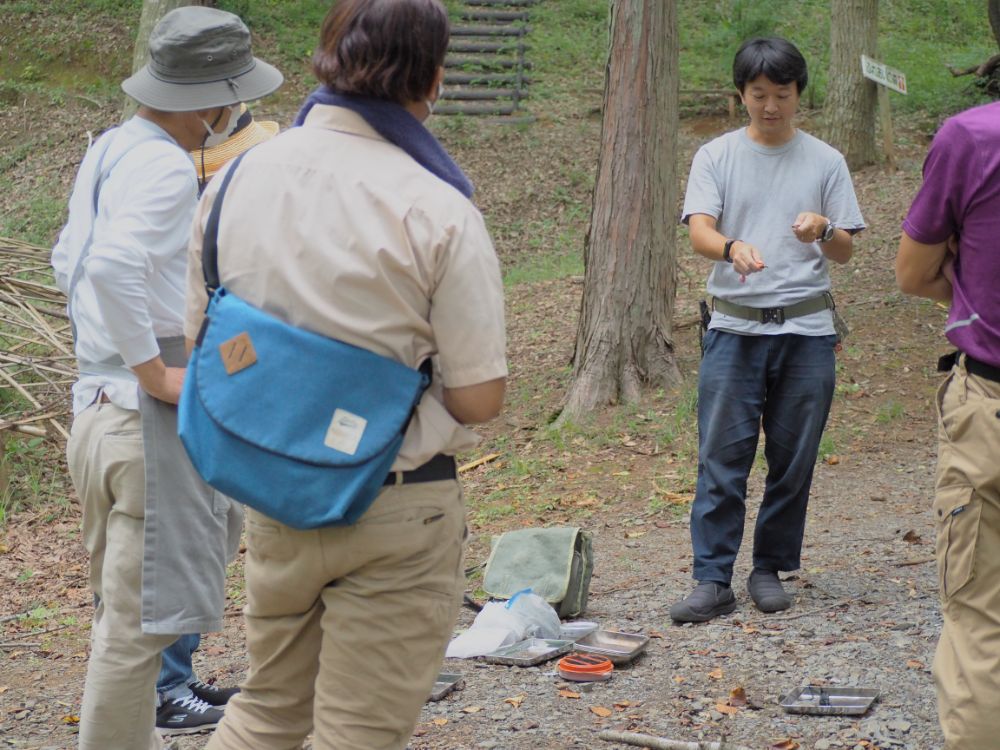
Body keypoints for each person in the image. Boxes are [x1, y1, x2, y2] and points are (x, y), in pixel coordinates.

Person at [184, 1, 507, 748]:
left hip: (274, 490)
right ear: (429, 76)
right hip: (397, 505)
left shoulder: (237, 179)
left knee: (266, 710)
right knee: (358, 733)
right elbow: (479, 396)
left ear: (328, 57)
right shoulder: (437, 208)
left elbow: (206, 339)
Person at [50, 7, 281, 748]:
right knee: (138, 632)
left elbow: (69, 261)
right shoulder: (160, 165)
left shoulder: (110, 149)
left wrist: (110, 355)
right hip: (138, 416)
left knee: (124, 620)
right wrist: (154, 371)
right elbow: (114, 266)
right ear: (213, 99)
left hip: (94, 408)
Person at [670, 37, 865, 624]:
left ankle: (768, 569)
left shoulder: (825, 161)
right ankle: (711, 578)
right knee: (721, 458)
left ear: (798, 94)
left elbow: (848, 250)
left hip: (807, 331)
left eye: (782, 94)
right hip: (734, 327)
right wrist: (732, 248)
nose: (771, 105)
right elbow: (699, 231)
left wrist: (824, 228)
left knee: (793, 457)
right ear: (742, 96)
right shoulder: (716, 156)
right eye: (759, 95)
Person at [154, 105, 280, 735]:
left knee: (209, 537)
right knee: (178, 542)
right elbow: (206, 322)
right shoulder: (179, 209)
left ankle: (180, 671)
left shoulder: (228, 217)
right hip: (179, 384)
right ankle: (166, 686)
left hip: (212, 386)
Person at [895, 98, 1000, 749]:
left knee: (981, 622)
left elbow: (913, 273)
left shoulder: (972, 136)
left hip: (989, 408)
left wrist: (970, 282)